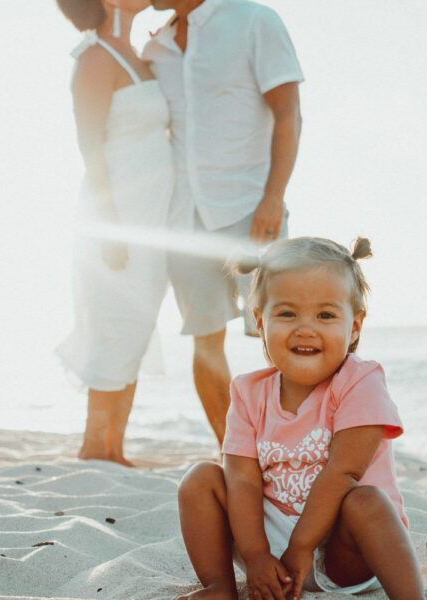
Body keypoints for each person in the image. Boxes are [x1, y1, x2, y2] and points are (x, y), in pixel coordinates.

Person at [176, 237, 425, 600]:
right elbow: (242, 481)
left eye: (325, 315)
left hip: (346, 549)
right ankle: (220, 587)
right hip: (270, 545)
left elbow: (345, 471)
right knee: (201, 479)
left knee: (367, 502)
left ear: (354, 326)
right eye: (287, 314)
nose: (305, 328)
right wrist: (258, 555)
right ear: (259, 321)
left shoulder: (360, 381)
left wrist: (303, 547)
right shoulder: (248, 392)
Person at [142, 0, 303, 446]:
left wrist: (273, 197)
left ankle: (294, 451)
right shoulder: (155, 49)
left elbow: (289, 111)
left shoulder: (253, 21)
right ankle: (233, 452)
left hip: (251, 209)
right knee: (205, 341)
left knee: (280, 339)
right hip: (184, 221)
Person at [55, 0, 175, 465]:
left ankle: (114, 448)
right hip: (116, 215)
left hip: (152, 217)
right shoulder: (94, 57)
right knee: (115, 322)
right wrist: (110, 225)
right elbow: (89, 144)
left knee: (139, 323)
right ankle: (92, 447)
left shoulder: (141, 52)